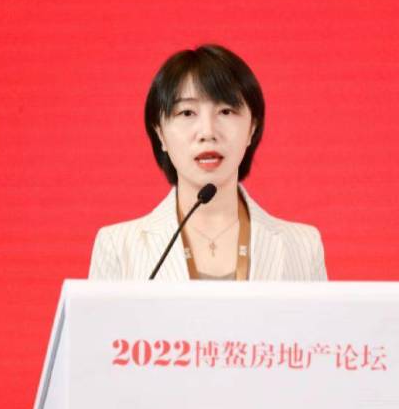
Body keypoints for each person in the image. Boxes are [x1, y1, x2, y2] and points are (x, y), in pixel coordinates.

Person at [88, 44, 327, 281]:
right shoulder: (118, 247)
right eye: (187, 113)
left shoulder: (303, 246)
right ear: (160, 134)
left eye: (226, 111)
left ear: (252, 128)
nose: (208, 132)